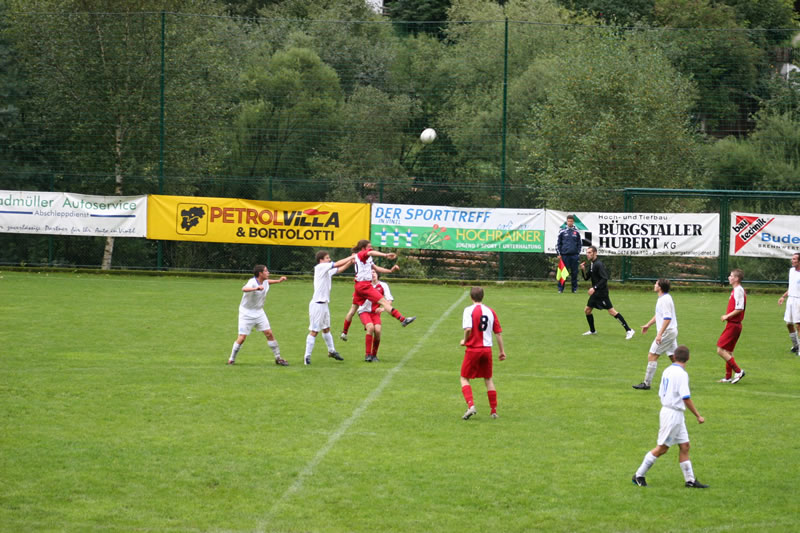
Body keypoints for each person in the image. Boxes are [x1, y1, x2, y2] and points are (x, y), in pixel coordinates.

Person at [631, 345, 708, 489]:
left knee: (685, 446)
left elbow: (661, 392)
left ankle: (690, 481)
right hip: (672, 414)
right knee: (662, 448)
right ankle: (638, 475)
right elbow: (686, 397)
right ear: (688, 358)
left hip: (672, 412)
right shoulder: (682, 374)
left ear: (675, 356)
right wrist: (698, 415)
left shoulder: (667, 370)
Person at [342, 240, 415, 336]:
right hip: (364, 285)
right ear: (363, 248)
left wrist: (390, 271)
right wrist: (385, 255)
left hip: (359, 286)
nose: (371, 248)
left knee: (353, 309)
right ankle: (402, 319)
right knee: (384, 302)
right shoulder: (362, 254)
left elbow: (376, 268)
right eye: (369, 246)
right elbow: (371, 252)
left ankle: (344, 332)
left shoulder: (366, 257)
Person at [460, 286, 507, 420]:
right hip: (487, 350)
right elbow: (498, 332)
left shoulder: (468, 310)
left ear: (471, 297)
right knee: (488, 379)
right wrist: (502, 351)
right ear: (483, 297)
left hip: (473, 349)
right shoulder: (490, 311)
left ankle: (471, 406)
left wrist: (465, 340)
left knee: (464, 378)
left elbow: (468, 329)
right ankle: (493, 411)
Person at [227, 264, 289, 366]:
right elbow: (244, 289)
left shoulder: (264, 281)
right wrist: (255, 289)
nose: (268, 272)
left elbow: (268, 282)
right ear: (260, 273)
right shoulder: (252, 282)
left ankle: (278, 358)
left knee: (269, 333)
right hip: (246, 313)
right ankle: (231, 359)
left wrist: (278, 281)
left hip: (259, 312)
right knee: (242, 338)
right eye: (266, 271)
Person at [304, 250, 355, 366]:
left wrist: (351, 261)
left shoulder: (326, 270)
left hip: (324, 304)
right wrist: (351, 257)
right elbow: (336, 264)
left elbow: (339, 269)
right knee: (314, 331)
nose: (329, 259)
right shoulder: (320, 267)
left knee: (326, 328)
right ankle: (307, 356)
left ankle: (331, 351)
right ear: (321, 260)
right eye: (327, 258)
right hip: (317, 304)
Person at [579, 246, 634, 339]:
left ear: (595, 253)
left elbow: (604, 278)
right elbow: (586, 278)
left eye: (589, 252)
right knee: (587, 310)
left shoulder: (598, 264)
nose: (587, 254)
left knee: (612, 312)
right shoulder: (592, 264)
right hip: (596, 293)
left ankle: (629, 330)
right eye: (587, 252)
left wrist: (594, 288)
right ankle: (593, 331)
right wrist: (583, 269)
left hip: (602, 293)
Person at [633, 278, 678, 390]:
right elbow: (659, 315)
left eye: (656, 284)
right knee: (674, 357)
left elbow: (667, 318)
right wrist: (648, 324)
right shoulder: (663, 298)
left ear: (660, 287)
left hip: (667, 332)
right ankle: (681, 381)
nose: (654, 285)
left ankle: (646, 384)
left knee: (652, 355)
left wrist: (660, 334)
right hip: (671, 332)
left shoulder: (664, 300)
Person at [716, 269, 746, 384]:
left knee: (720, 350)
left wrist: (726, 316)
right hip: (734, 325)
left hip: (734, 325)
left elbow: (739, 308)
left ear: (736, 279)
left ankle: (738, 371)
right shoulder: (736, 290)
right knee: (728, 352)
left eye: (731, 276)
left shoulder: (738, 291)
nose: (729, 277)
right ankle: (728, 377)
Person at [356, 270, 394, 362]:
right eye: (370, 273)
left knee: (377, 331)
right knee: (370, 327)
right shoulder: (364, 285)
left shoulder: (383, 285)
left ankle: (374, 355)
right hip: (364, 311)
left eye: (374, 272)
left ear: (378, 274)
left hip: (375, 313)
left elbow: (389, 299)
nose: (372, 274)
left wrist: (383, 308)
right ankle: (367, 355)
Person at [778, 252, 800, 354]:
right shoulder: (791, 271)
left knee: (798, 325)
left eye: (795, 259)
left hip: (798, 301)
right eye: (792, 259)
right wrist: (783, 296)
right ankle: (796, 346)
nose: (792, 260)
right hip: (790, 300)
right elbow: (791, 288)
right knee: (788, 324)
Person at [555, 214, 583, 293]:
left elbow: (579, 244)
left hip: (574, 256)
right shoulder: (562, 231)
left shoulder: (576, 232)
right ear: (566, 222)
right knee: (563, 273)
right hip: (564, 256)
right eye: (568, 221)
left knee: (574, 273)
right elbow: (558, 244)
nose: (570, 222)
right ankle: (560, 289)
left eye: (571, 221)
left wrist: (578, 253)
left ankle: (574, 289)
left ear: (573, 222)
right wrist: (559, 254)